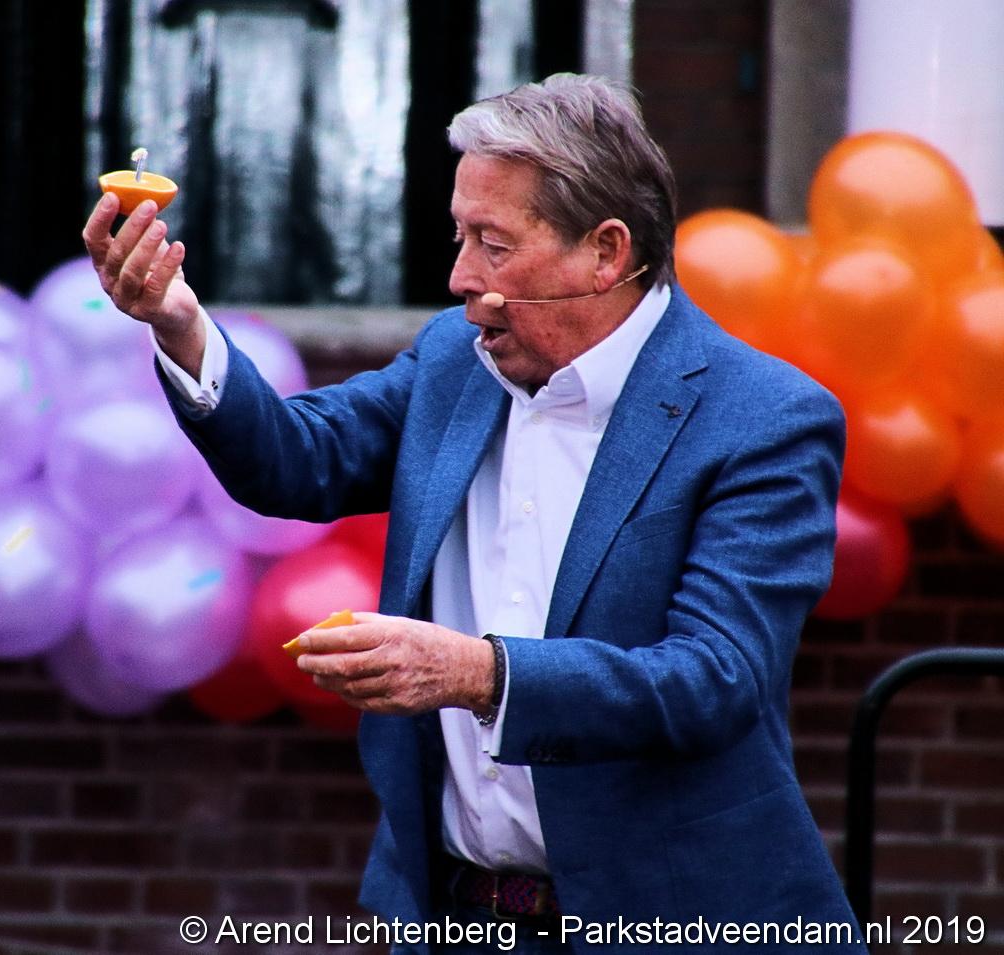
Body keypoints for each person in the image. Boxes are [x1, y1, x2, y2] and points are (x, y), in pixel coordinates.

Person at [84, 73, 865, 953]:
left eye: (493, 244)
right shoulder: (456, 363)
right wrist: (179, 325)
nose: (460, 276)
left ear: (606, 252)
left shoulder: (763, 418)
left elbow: (712, 679)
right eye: (461, 236)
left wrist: (479, 673)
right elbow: (298, 461)